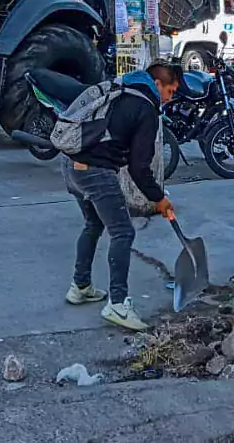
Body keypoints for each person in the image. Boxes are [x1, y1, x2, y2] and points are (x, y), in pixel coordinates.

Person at [61, 62, 181, 331]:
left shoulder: (120, 89)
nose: (169, 98)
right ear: (157, 84)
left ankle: (80, 286)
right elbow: (139, 167)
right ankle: (117, 303)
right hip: (94, 171)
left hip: (70, 165)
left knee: (94, 224)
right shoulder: (146, 108)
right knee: (123, 232)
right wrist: (159, 198)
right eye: (170, 91)